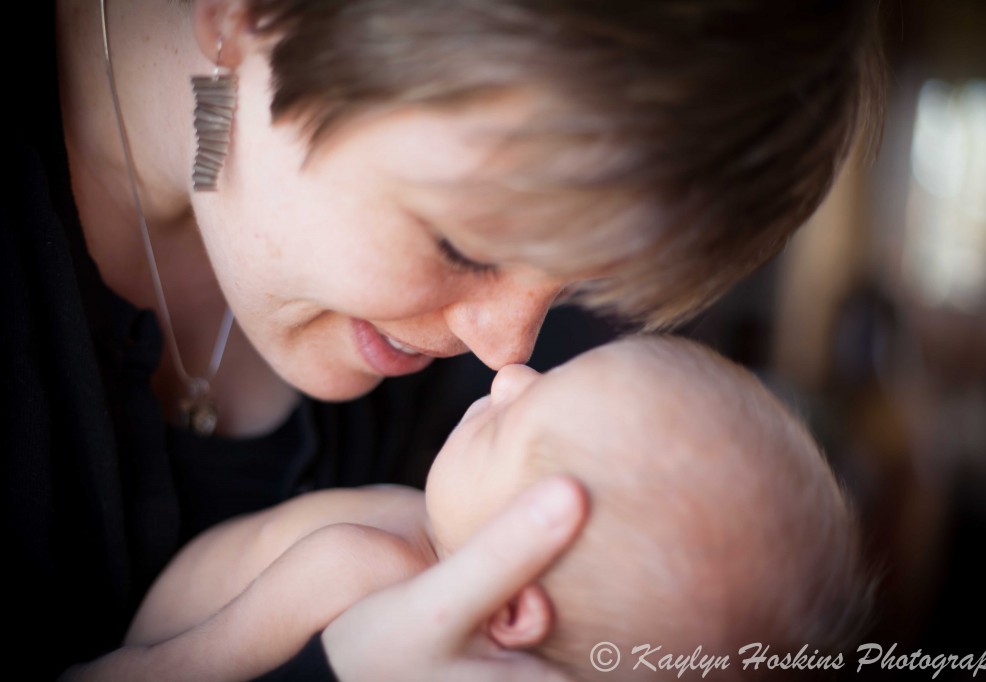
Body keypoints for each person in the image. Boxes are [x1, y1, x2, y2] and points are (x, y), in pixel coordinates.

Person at [4, 0, 882, 678]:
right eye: (466, 242)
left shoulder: (573, 444)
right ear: (247, 12)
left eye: (576, 278)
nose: (508, 351)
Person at [65, 336, 872, 681]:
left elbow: (178, 671)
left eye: (518, 419)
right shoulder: (426, 537)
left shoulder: (362, 570)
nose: (509, 376)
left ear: (511, 604)